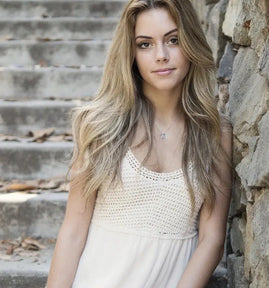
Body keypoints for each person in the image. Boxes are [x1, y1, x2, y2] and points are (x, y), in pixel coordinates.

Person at [46, 0, 232, 287]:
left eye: (173, 40)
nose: (161, 55)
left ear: (190, 42)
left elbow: (212, 238)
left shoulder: (214, 133)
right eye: (145, 44)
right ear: (131, 53)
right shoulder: (101, 124)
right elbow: (73, 231)